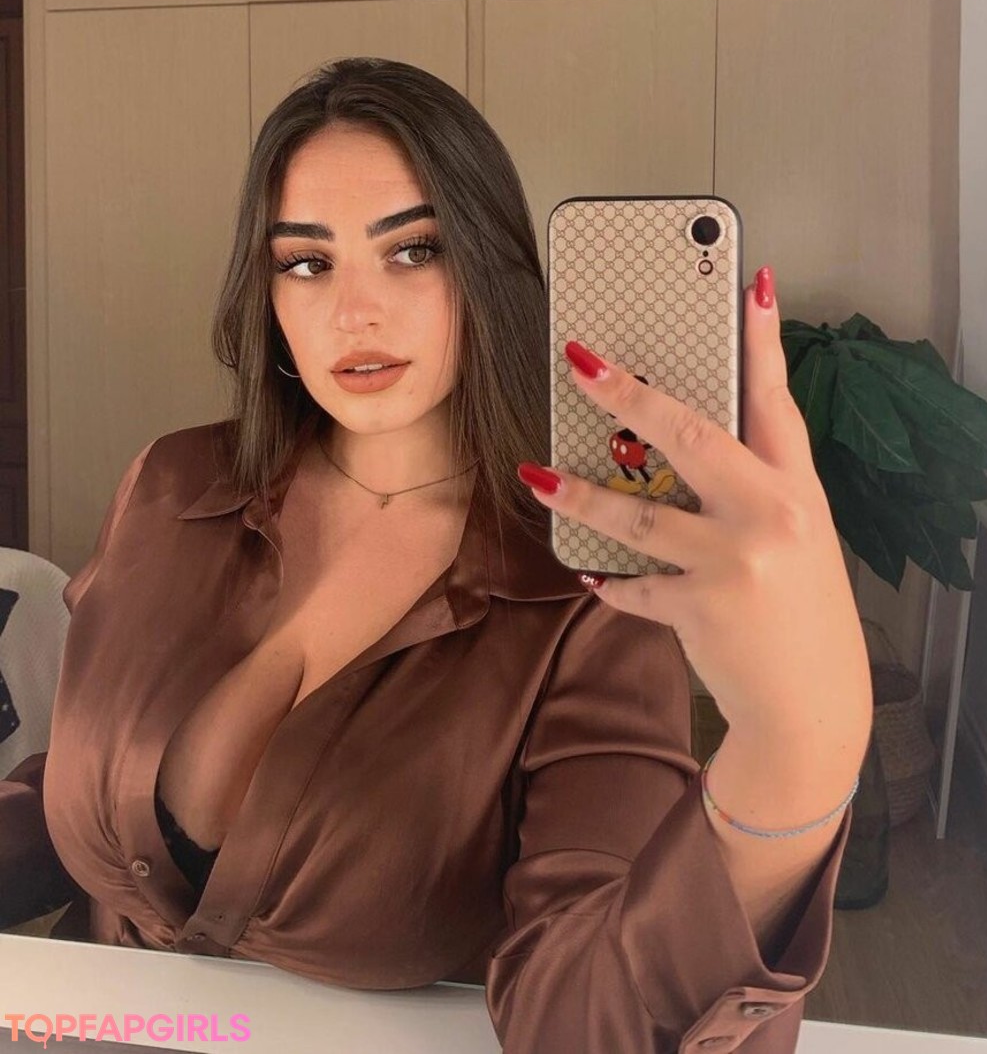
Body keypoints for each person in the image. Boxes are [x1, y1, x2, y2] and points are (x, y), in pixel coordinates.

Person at [0, 58, 872, 1052]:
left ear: (487, 270)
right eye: (306, 262)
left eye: (413, 250)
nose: (355, 310)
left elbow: (583, 1014)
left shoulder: (585, 598)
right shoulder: (170, 483)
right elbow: (81, 773)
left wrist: (799, 756)